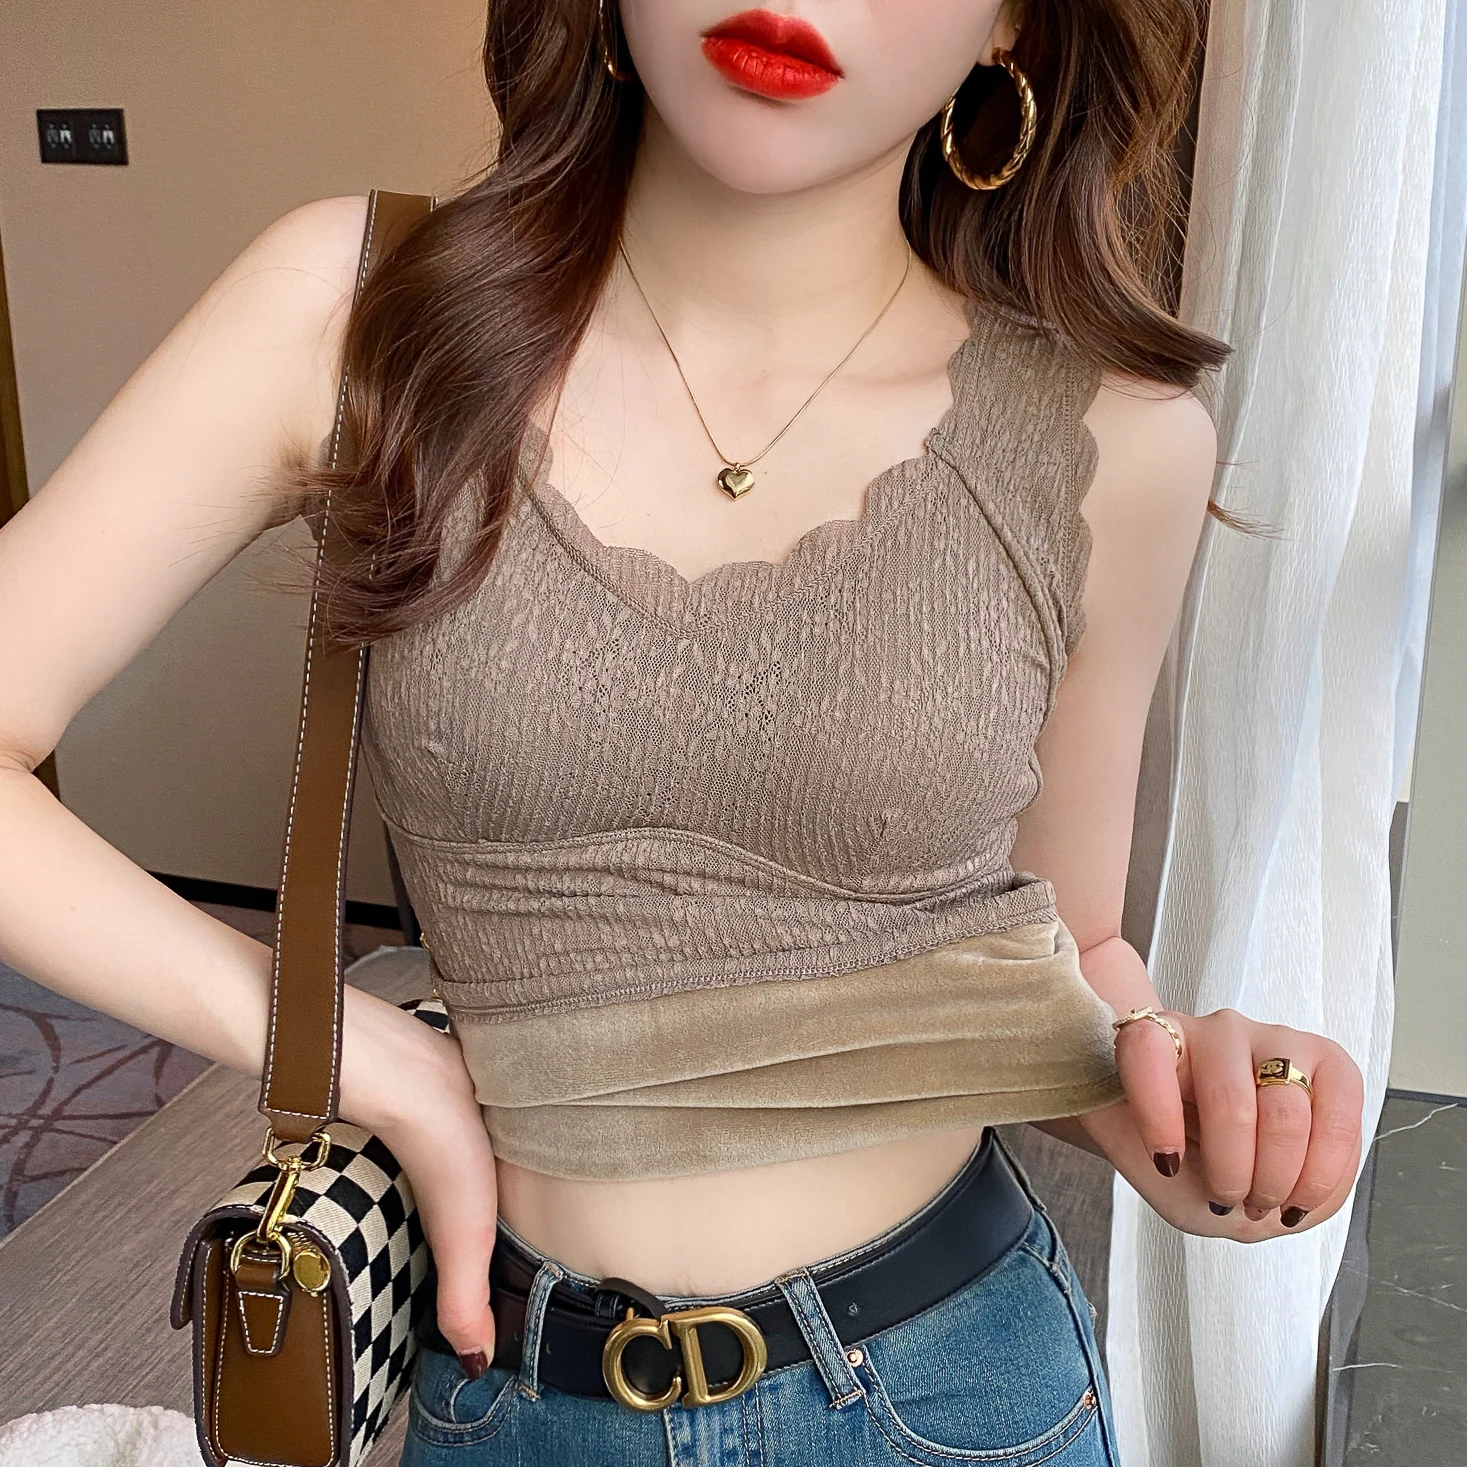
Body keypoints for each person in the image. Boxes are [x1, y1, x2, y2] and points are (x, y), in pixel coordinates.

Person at [0, 2, 1366, 1464]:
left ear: (1010, 25)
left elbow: (1061, 945)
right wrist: (354, 1049)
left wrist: (1191, 1108)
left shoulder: (1113, 436)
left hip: (952, 1393)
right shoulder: (358, 314)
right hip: (514, 1389)